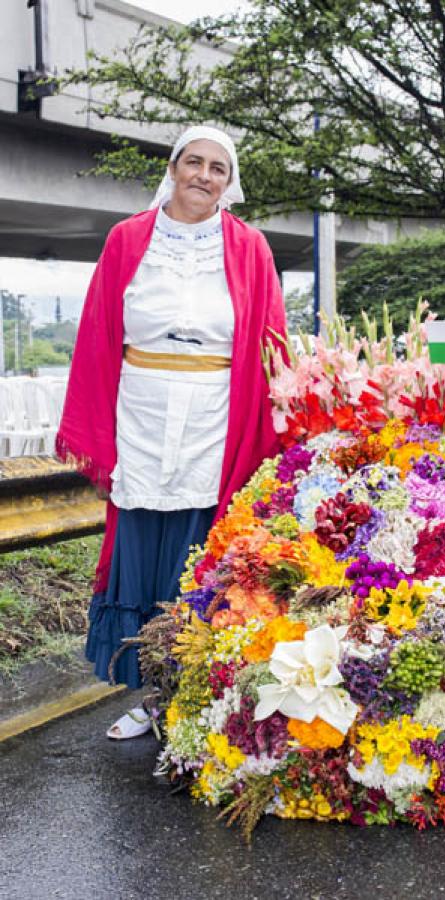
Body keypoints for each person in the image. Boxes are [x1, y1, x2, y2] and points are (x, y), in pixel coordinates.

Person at [56, 126, 287, 738]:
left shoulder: (249, 247)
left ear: (228, 180)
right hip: (141, 407)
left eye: (217, 167)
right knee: (140, 538)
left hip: (216, 411)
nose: (203, 176)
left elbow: (272, 342)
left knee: (197, 547)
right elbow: (100, 328)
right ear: (174, 166)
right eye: (194, 162)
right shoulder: (128, 238)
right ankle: (146, 696)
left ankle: (186, 696)